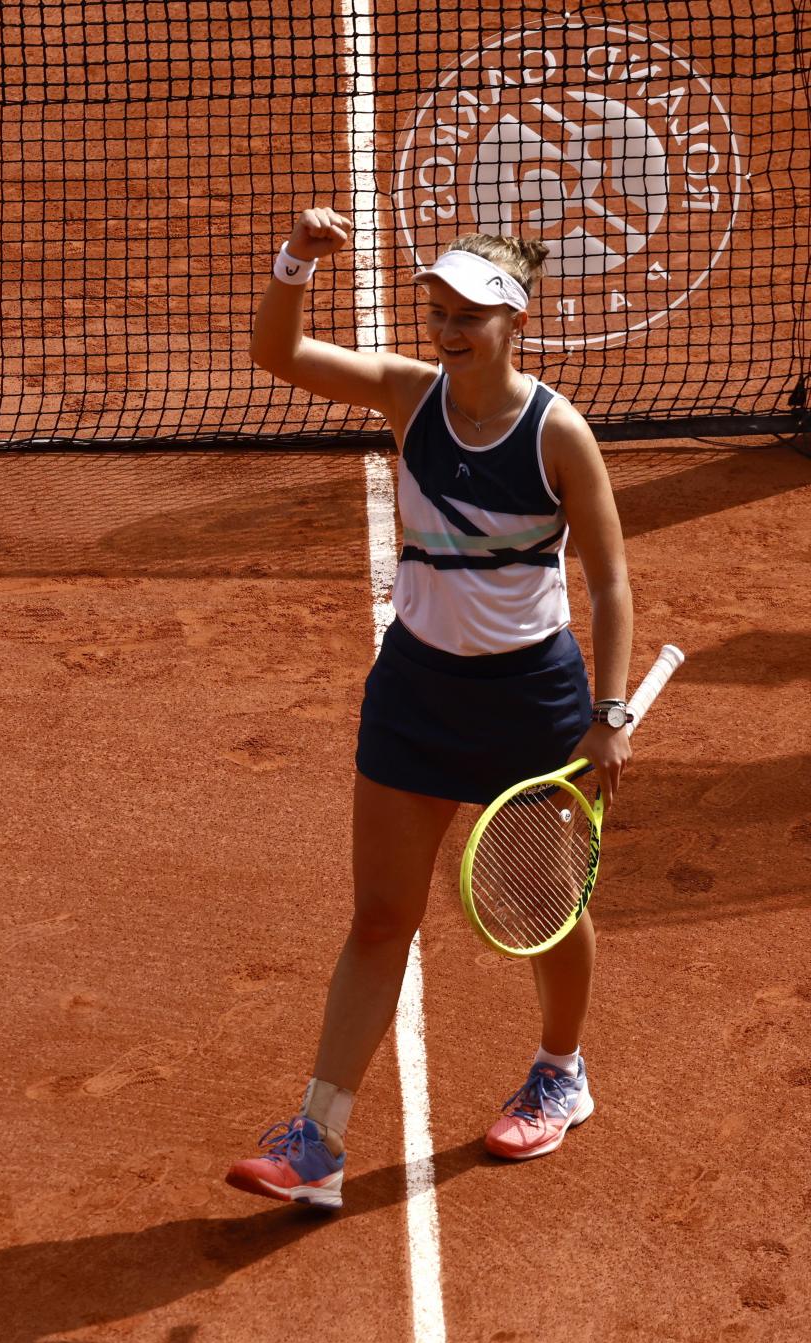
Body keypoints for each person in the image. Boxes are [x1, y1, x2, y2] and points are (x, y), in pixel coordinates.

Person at [225, 207, 635, 1209]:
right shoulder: (408, 397)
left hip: (527, 703)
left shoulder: (556, 433)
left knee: (543, 906)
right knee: (377, 917)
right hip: (412, 693)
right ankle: (315, 1141)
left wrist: (607, 714)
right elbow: (275, 352)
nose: (449, 330)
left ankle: (559, 1070)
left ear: (515, 321)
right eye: (439, 311)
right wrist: (293, 260)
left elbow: (610, 586)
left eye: (471, 315)